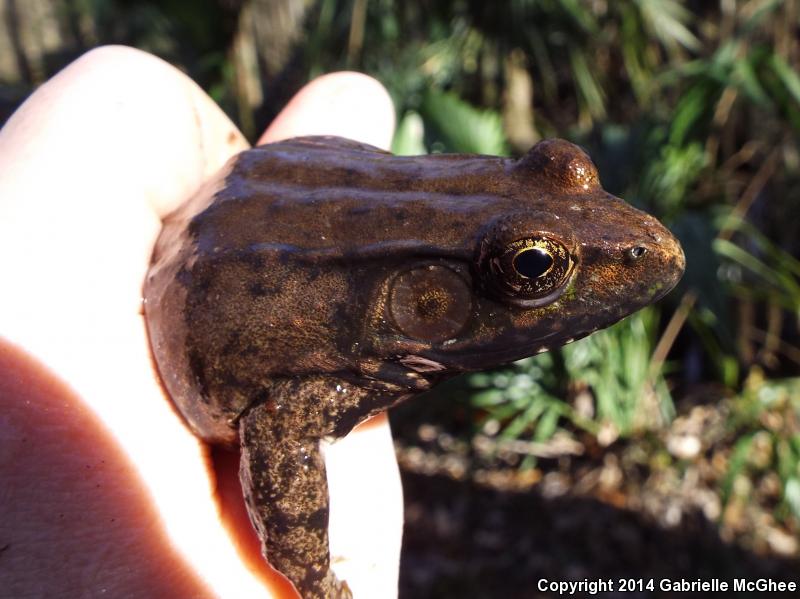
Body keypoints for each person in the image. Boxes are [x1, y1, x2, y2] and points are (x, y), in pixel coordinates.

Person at [0, 45, 402, 598]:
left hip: (250, 200)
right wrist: (318, 580)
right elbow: (283, 429)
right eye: (533, 267)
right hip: (207, 297)